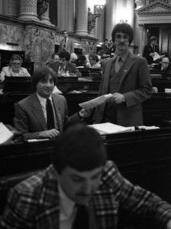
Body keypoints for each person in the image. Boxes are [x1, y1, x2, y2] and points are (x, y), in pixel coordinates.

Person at [1, 123, 171, 229]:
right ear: (56, 172)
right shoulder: (26, 196)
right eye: (77, 179)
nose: (88, 188)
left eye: (94, 177)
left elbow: (149, 203)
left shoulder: (106, 174)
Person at [91, 23, 152, 126]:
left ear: (130, 41)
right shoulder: (107, 63)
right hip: (106, 118)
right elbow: (102, 91)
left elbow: (147, 90)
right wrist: (95, 114)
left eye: (125, 37)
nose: (122, 40)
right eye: (118, 37)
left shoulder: (140, 62)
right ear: (114, 40)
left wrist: (125, 97)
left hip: (128, 119)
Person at [14, 67, 88, 140]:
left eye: (51, 81)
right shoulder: (23, 106)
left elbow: (65, 124)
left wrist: (79, 115)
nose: (48, 85)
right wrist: (40, 134)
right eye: (44, 81)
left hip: (60, 145)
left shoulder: (61, 100)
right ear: (35, 84)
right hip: (38, 148)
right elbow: (20, 136)